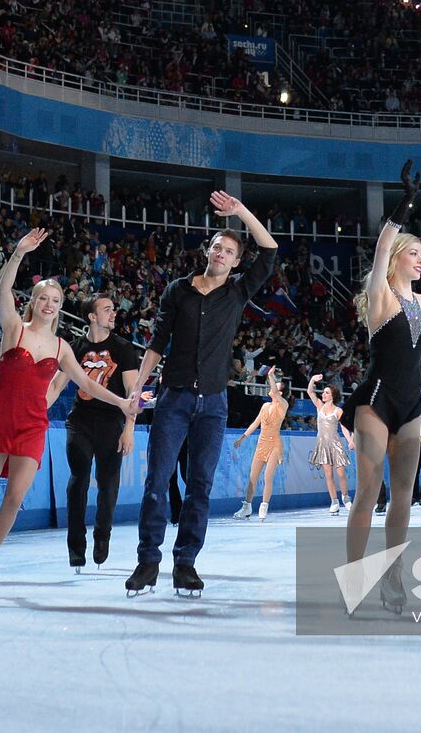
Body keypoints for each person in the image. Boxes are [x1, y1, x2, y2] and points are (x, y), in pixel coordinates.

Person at [0, 229, 137, 605]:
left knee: (13, 498)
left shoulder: (62, 346)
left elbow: (87, 385)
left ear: (61, 306)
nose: (49, 303)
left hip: (32, 424)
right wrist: (17, 253)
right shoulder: (14, 330)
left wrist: (123, 404)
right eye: (43, 297)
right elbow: (2, 292)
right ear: (34, 302)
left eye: (55, 299)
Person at [124, 191, 277, 598]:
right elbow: (157, 342)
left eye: (229, 250)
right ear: (207, 251)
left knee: (200, 485)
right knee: (157, 481)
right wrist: (137, 388)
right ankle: (148, 562)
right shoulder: (178, 290)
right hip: (173, 398)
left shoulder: (238, 292)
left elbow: (270, 249)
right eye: (216, 247)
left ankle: (185, 563)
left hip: (213, 403)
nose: (221, 253)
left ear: (236, 260)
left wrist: (241, 211)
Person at [338, 159, 421, 613]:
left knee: (404, 498)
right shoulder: (381, 294)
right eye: (414, 253)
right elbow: (380, 250)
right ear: (397, 260)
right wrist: (405, 203)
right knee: (368, 493)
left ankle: (394, 580)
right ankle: (354, 580)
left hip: (411, 405)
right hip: (375, 401)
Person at [46, 294, 140, 571]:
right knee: (78, 481)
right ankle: (76, 546)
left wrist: (129, 430)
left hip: (113, 422)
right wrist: (36, 410)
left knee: (108, 485)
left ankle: (102, 534)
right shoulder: (73, 348)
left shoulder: (124, 348)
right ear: (91, 316)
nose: (113, 313)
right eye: (107, 309)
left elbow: (133, 394)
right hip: (81, 421)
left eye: (113, 309)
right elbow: (56, 385)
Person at [231, 366, 289, 521]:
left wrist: (270, 375)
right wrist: (242, 438)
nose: (272, 389)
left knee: (267, 477)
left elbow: (275, 392)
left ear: (281, 393)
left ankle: (264, 506)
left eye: (275, 387)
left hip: (275, 444)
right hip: (262, 443)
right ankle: (247, 507)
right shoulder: (265, 406)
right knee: (252, 477)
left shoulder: (283, 405)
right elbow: (255, 423)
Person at [304, 374, 353, 515]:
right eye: (323, 392)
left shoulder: (338, 411)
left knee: (341, 473)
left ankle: (345, 497)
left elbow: (344, 427)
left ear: (332, 395)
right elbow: (310, 392)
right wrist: (313, 380)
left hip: (335, 444)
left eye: (326, 393)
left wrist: (349, 440)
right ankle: (334, 501)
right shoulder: (319, 405)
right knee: (328, 474)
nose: (323, 394)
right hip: (322, 444)